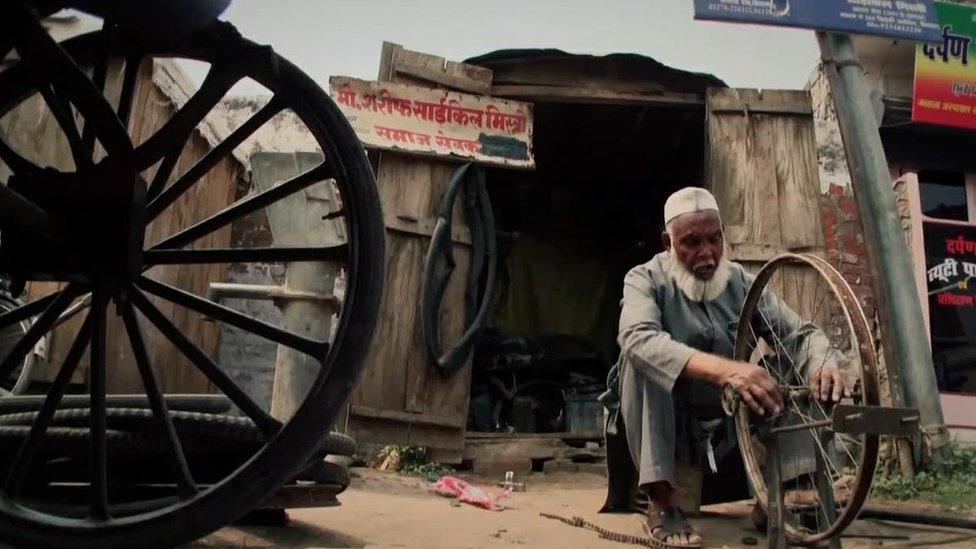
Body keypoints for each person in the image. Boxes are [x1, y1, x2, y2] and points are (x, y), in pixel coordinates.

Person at [601, 187, 847, 548]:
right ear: (667, 242)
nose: (707, 253)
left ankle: (777, 494)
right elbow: (637, 338)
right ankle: (662, 504)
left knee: (783, 362)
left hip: (729, 421)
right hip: (669, 421)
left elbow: (802, 333)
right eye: (692, 242)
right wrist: (726, 370)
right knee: (639, 360)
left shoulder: (741, 282)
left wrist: (822, 363)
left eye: (715, 240)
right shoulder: (645, 279)